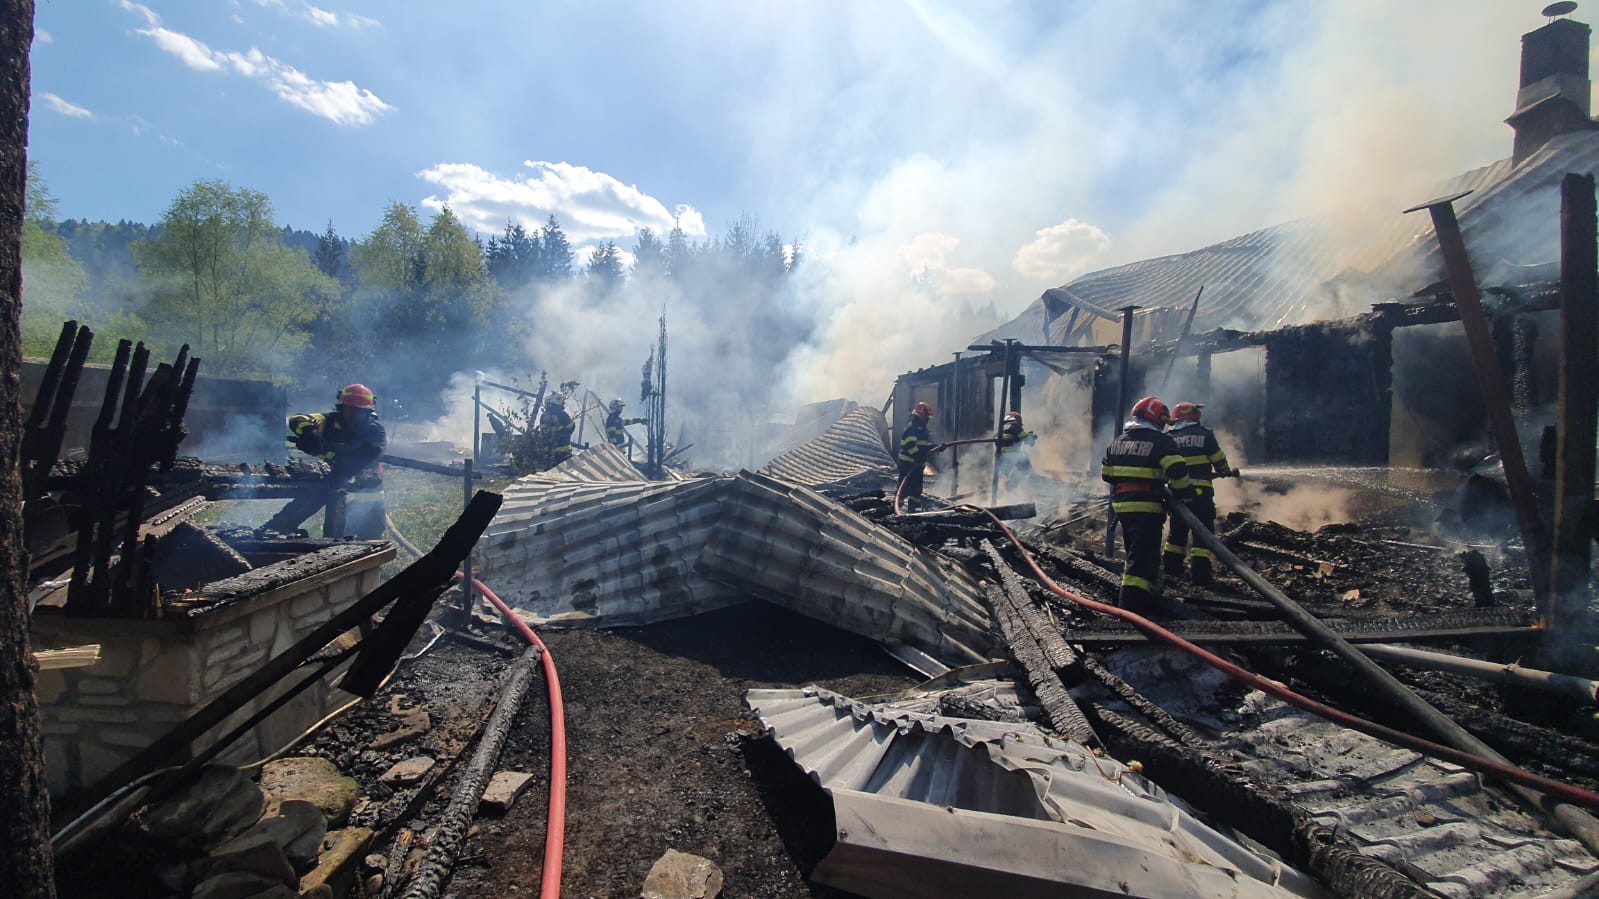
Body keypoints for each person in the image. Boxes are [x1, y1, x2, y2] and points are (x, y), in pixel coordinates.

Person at [1101, 396, 1192, 615]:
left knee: (1136, 552)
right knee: (1142, 558)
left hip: (1123, 507)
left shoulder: (1118, 441)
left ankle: (1145, 597)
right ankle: (1131, 608)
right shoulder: (1161, 441)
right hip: (1147, 508)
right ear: (1156, 417)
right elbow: (1178, 471)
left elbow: (1107, 475)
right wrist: (1185, 494)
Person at [265, 383, 388, 537]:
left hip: (368, 498)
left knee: (371, 541)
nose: (353, 416)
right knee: (335, 538)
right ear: (341, 408)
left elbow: (361, 457)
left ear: (368, 413)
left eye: (359, 412)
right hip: (334, 488)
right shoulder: (327, 421)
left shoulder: (375, 431)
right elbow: (297, 419)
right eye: (349, 410)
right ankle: (273, 530)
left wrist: (325, 450)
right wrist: (309, 433)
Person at [1163, 401, 1235, 586]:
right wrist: (1224, 470)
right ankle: (1200, 575)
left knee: (1177, 532)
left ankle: (1171, 571)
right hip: (1201, 493)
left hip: (1178, 493)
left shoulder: (1168, 437)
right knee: (1202, 534)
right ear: (1195, 416)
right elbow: (1218, 458)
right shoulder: (1205, 434)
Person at [896, 401, 936, 506]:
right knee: (904, 487)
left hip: (917, 463)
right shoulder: (913, 428)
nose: (928, 419)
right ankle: (897, 506)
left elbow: (922, 444)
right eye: (926, 417)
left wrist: (933, 447)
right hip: (908, 463)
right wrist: (917, 457)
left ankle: (913, 507)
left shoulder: (921, 428)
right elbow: (910, 445)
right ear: (920, 416)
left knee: (916, 487)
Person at [995, 410, 1036, 491]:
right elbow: (1026, 439)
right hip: (1011, 454)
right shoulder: (1015, 426)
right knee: (1025, 467)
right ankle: (1011, 484)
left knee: (1005, 474)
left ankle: (1002, 490)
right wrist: (1031, 437)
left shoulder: (1001, 428)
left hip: (999, 456)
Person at [538, 385, 577, 467]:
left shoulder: (544, 416)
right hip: (563, 451)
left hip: (548, 451)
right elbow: (571, 428)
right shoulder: (563, 415)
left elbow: (543, 431)